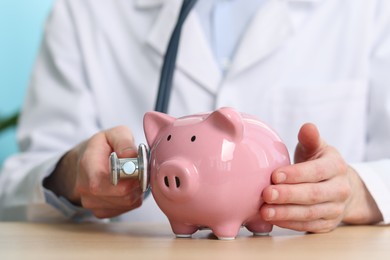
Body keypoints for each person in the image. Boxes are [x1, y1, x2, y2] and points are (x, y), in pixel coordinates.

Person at [0, 0, 388, 233]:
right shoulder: (87, 11)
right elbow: (19, 187)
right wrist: (71, 176)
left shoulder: (368, 9)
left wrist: (357, 191)